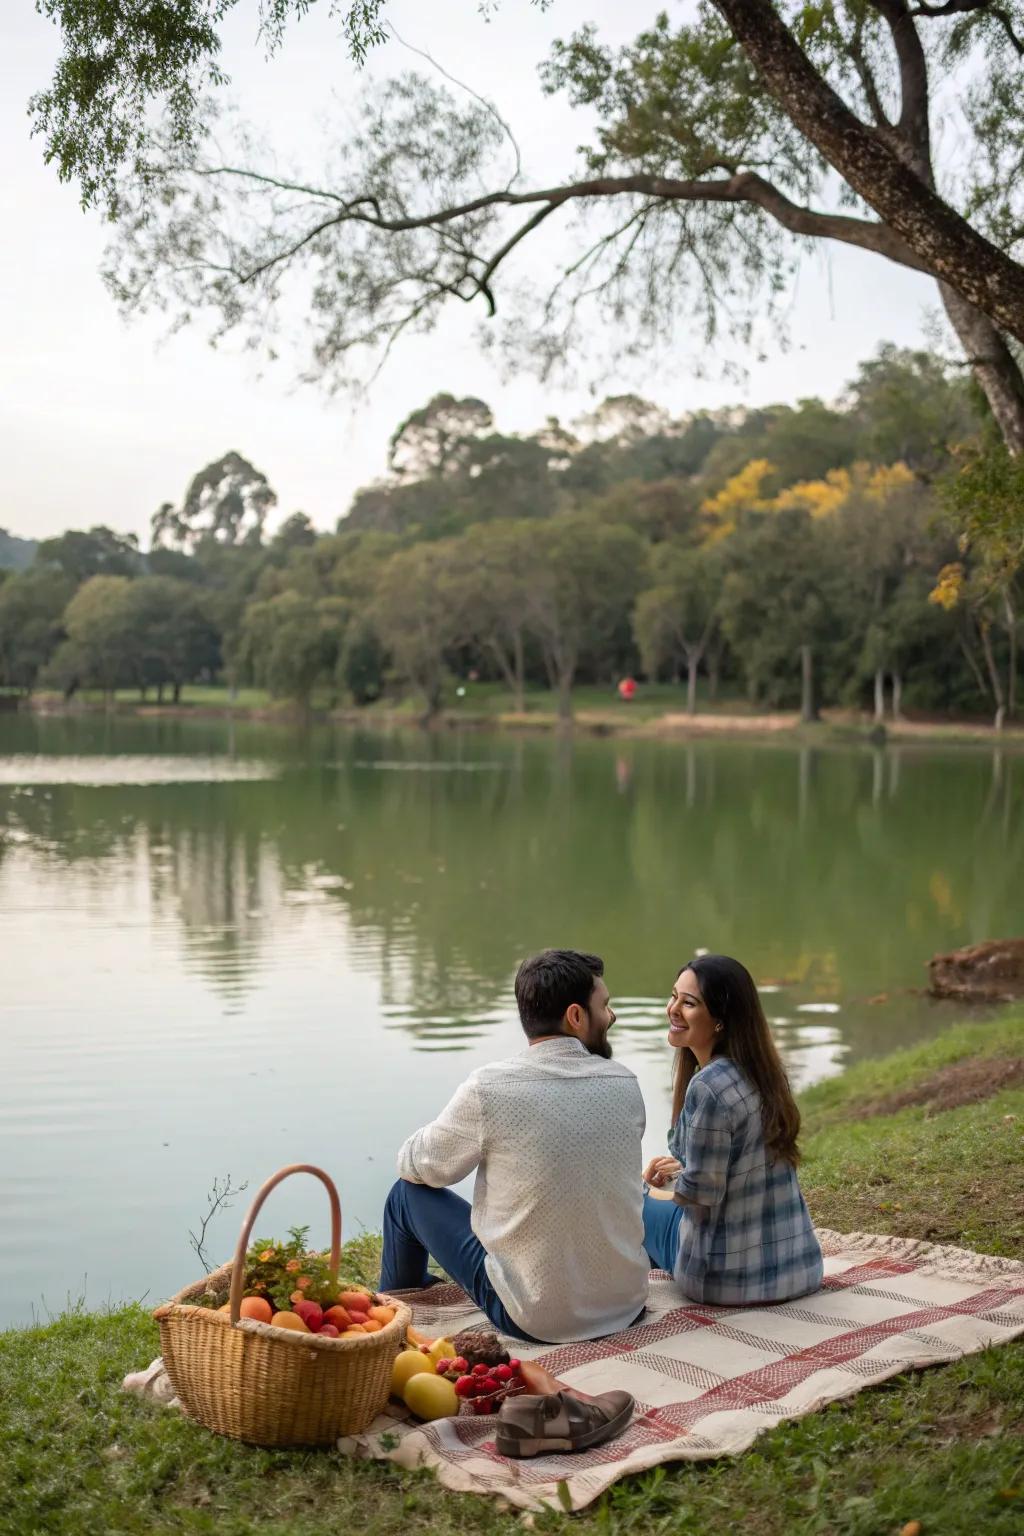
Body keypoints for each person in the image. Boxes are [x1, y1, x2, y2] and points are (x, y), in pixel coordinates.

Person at [378, 949, 650, 1342]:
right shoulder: (625, 1084)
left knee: (405, 1195)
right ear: (575, 1017)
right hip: (626, 1304)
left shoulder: (490, 1088)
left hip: (535, 1319)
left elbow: (418, 1166)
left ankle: (396, 1320)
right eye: (604, 1006)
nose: (611, 1017)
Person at [641, 954, 823, 1306]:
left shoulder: (708, 1086)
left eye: (689, 1002)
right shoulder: (763, 1072)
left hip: (726, 1281)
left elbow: (699, 1196)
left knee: (635, 1203)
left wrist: (647, 1189)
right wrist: (682, 1171)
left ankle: (612, 1300)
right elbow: (739, 1164)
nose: (673, 1009)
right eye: (674, 996)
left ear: (720, 1020)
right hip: (799, 1269)